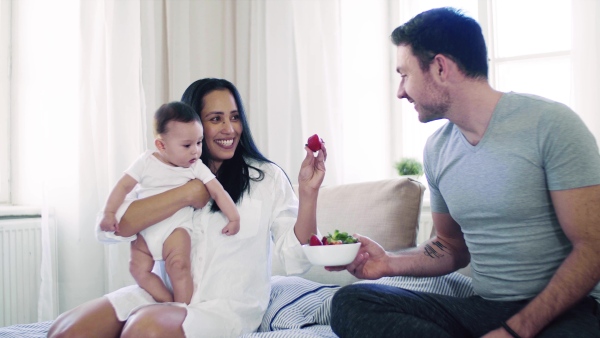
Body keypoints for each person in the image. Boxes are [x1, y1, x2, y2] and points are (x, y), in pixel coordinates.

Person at [329, 7, 600, 338]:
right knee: (351, 303)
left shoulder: (552, 125)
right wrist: (388, 262)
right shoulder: (438, 150)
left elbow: (593, 247)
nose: (400, 91)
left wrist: (516, 331)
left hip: (568, 310)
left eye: (404, 74)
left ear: (440, 67)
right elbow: (451, 246)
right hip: (486, 309)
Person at [48, 78, 327, 337]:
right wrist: (185, 193)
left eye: (234, 117)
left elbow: (296, 258)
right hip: (162, 295)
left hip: (224, 309)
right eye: (215, 119)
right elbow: (111, 229)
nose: (229, 129)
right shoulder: (162, 169)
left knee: (145, 330)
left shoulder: (266, 177)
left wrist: (308, 194)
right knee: (65, 330)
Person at [98, 101, 240, 305]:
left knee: (179, 266)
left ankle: (182, 309)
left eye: (199, 143)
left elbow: (218, 192)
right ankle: (167, 301)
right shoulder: (146, 162)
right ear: (161, 145)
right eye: (187, 145)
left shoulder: (196, 167)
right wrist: (109, 213)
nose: (195, 151)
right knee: (137, 268)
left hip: (176, 229)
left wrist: (233, 217)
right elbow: (123, 187)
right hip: (146, 231)